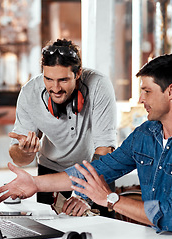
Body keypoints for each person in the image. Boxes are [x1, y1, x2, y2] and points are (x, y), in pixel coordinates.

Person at [0, 54, 172, 239]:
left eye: (147, 91)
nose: (140, 99)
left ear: (171, 91)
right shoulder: (147, 134)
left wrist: (111, 199)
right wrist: (35, 183)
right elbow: (99, 169)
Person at [7, 39, 117, 216]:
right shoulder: (30, 92)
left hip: (95, 169)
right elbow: (19, 160)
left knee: (101, 229)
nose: (55, 88)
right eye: (48, 79)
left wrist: (86, 195)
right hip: (51, 172)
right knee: (50, 231)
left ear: (78, 73)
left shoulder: (99, 85)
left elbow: (105, 149)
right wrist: (26, 151)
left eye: (63, 80)